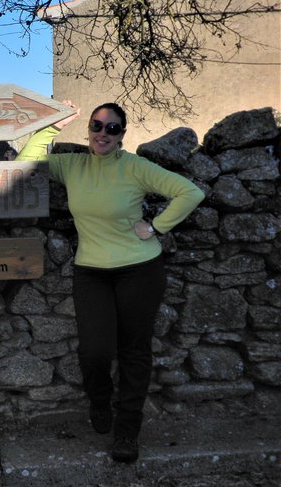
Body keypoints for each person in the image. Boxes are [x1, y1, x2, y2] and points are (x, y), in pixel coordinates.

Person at [16, 101, 204, 463]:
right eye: (96, 126)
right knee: (95, 351)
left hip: (140, 270)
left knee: (134, 352)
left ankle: (127, 431)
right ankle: (100, 403)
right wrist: (54, 124)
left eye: (112, 128)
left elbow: (191, 192)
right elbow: (25, 163)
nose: (103, 133)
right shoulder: (73, 166)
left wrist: (155, 227)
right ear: (88, 129)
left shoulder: (134, 167)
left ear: (122, 135)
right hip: (91, 271)